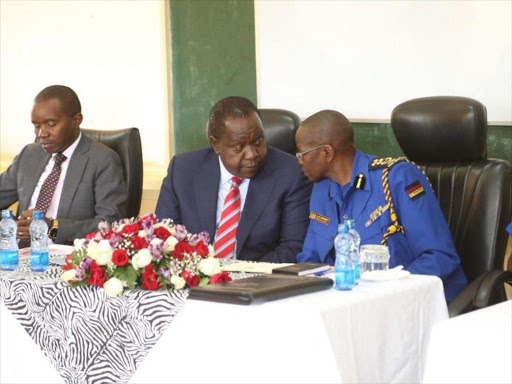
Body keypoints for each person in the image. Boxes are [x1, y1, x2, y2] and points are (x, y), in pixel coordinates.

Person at [295, 110, 467, 302]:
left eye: (301, 154)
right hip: (344, 304)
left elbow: (440, 257)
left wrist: (384, 291)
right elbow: (309, 260)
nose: (299, 161)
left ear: (327, 152)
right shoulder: (321, 190)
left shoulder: (396, 178)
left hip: (407, 302)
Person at [155, 96, 311, 263]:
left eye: (258, 142)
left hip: (258, 281)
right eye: (239, 147)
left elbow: (293, 247)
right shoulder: (183, 170)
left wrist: (241, 275)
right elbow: (164, 237)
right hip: (195, 278)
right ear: (215, 144)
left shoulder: (291, 173)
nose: (252, 154)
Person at [0, 85, 128, 245]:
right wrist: (8, 226)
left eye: (51, 124)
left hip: (67, 260)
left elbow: (110, 224)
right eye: (37, 126)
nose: (42, 134)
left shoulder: (102, 160)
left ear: (76, 120)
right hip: (17, 255)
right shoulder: (29, 154)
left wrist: (53, 227)